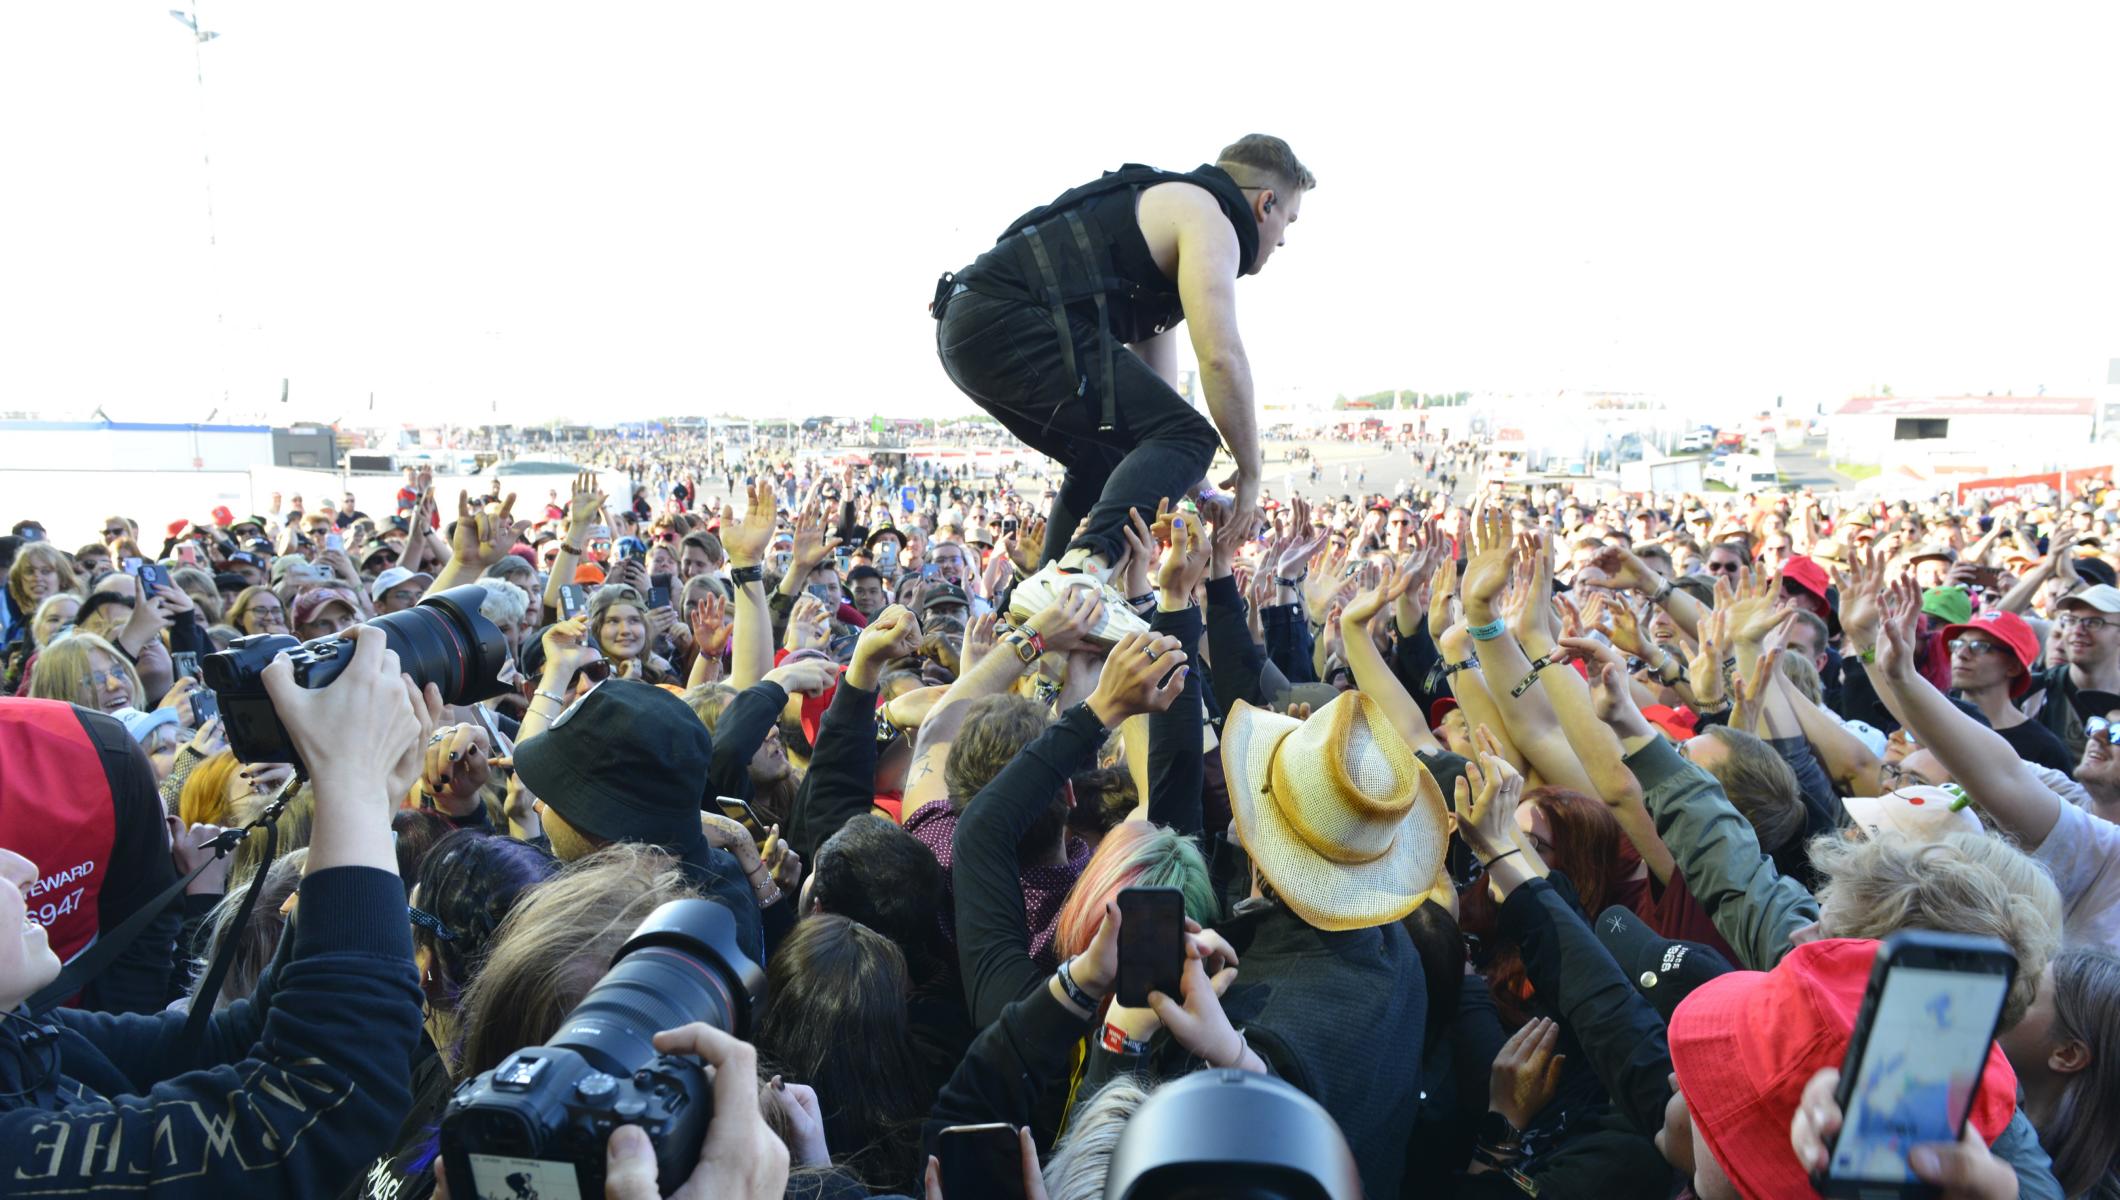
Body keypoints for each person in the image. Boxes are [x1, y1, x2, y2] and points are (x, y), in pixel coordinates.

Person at [0, 626, 425, 1192]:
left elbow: (226, 1041)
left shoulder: (21, 1030)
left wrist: (363, 801)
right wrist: (353, 791)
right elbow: (311, 1112)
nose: (22, 870)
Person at [934, 134, 1314, 638]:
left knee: (1108, 452)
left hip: (971, 325)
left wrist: (1202, 493)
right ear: (1266, 203)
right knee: (1194, 435)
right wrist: (1249, 473)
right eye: (1289, 220)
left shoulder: (1171, 222)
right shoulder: (1210, 217)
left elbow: (1155, 414)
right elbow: (1221, 359)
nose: (1283, 240)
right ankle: (1078, 575)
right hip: (1004, 316)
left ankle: (1031, 617)